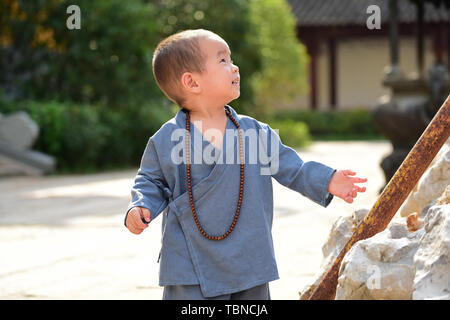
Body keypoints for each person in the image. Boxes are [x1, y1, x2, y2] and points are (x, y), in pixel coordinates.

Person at [124, 29, 367, 300]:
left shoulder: (255, 133)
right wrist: (141, 205)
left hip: (249, 257)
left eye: (231, 58)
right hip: (190, 264)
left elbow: (292, 167)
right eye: (222, 61)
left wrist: (328, 180)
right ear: (192, 82)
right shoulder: (167, 139)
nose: (234, 67)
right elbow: (151, 180)